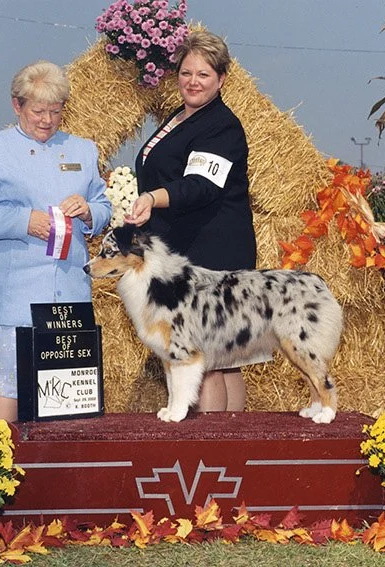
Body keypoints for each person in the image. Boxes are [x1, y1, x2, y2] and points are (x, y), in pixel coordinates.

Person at [0, 60, 112, 422]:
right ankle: (2, 469)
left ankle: (61, 474)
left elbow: (105, 208)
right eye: (38, 111)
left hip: (69, 294)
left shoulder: (83, 150)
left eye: (55, 112)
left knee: (67, 390)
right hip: (13, 294)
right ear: (17, 106)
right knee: (7, 383)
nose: (46, 120)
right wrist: (26, 221)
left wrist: (89, 211)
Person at [124, 31, 258, 413]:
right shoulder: (181, 117)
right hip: (185, 247)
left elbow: (199, 186)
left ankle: (212, 448)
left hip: (213, 249)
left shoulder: (221, 126)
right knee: (221, 361)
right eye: (186, 73)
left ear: (222, 79)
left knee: (208, 359)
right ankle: (229, 450)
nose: (193, 82)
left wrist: (151, 198)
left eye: (203, 75)